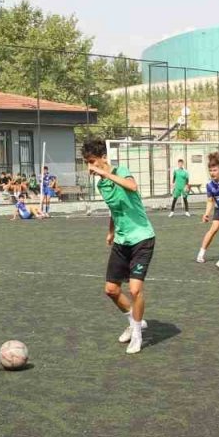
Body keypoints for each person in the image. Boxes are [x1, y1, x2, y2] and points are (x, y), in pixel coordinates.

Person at [81, 139, 155, 355]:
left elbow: (132, 186)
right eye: (87, 163)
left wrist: (106, 174)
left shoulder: (122, 171)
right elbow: (115, 209)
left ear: (103, 157)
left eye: (92, 161)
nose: (90, 167)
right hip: (122, 240)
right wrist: (112, 231)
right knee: (111, 290)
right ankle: (135, 322)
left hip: (142, 237)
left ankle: (138, 335)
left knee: (134, 289)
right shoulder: (101, 185)